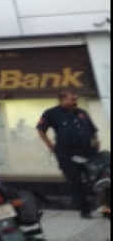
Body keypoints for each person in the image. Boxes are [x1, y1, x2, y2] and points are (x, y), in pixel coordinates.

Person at [36, 89, 100, 218]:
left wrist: (96, 141)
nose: (75, 101)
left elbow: (92, 130)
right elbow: (41, 129)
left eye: (76, 99)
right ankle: (84, 209)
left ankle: (103, 206)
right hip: (67, 154)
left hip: (87, 152)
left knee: (96, 179)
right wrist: (50, 145)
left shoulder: (81, 112)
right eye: (72, 99)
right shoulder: (51, 113)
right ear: (62, 100)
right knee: (75, 181)